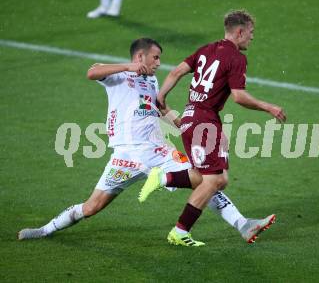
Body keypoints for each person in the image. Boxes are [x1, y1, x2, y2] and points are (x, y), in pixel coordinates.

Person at [17, 38, 273, 244]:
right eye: (155, 57)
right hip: (124, 157)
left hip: (158, 152)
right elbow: (92, 72)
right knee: (92, 207)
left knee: (208, 180)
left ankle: (243, 224)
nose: (158, 63)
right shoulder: (119, 76)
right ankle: (44, 230)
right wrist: (126, 67)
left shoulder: (151, 81)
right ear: (140, 56)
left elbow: (161, 109)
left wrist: (201, 130)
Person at [145, 10, 286, 247]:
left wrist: (161, 99)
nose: (252, 37)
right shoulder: (236, 58)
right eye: (251, 33)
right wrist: (268, 107)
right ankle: (179, 230)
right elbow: (239, 96)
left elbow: (176, 71)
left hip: (193, 117)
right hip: (204, 121)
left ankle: (166, 178)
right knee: (214, 181)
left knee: (211, 178)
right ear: (239, 32)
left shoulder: (206, 49)